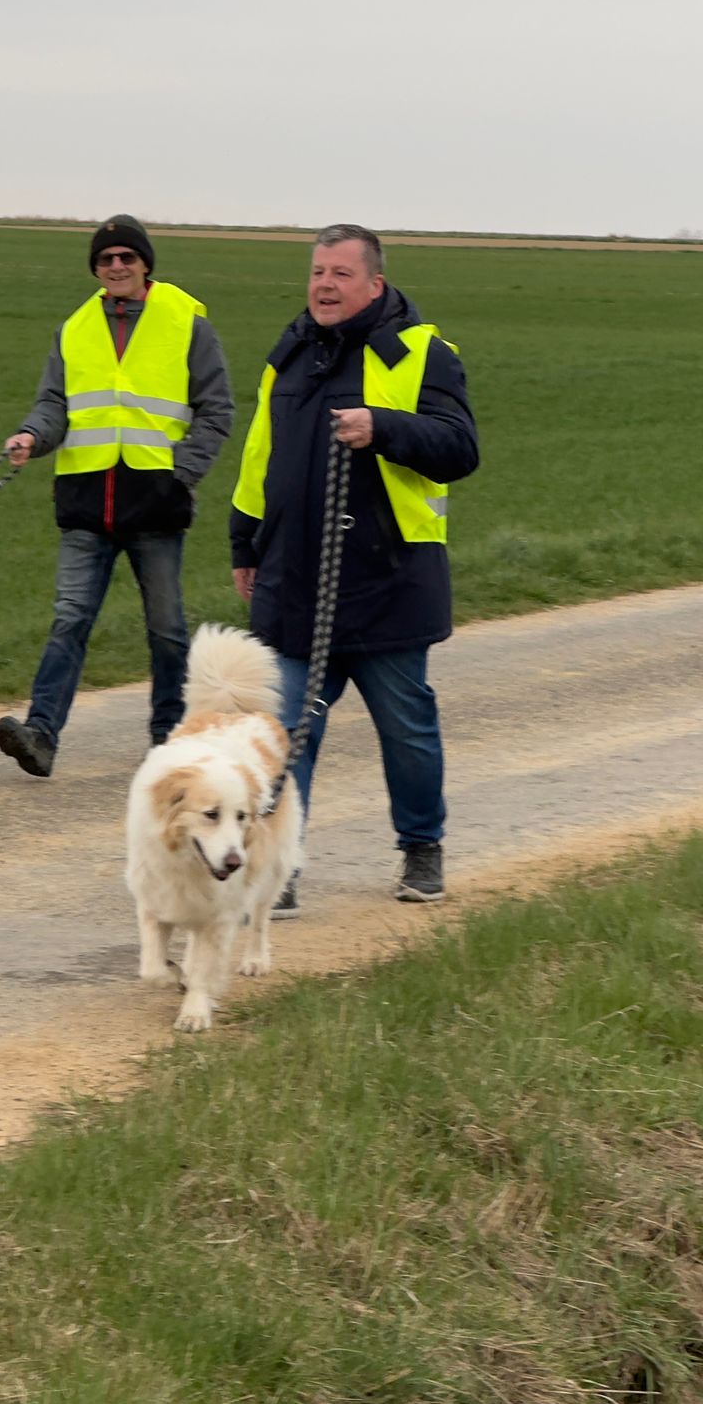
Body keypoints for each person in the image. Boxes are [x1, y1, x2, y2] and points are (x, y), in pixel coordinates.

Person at [230, 223, 478, 910]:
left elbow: (460, 447)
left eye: (340, 274)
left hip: (387, 579)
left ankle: (421, 845)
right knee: (285, 731)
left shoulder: (421, 353)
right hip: (296, 578)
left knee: (406, 728)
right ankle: (281, 865)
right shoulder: (289, 356)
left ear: (374, 284)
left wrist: (384, 428)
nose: (325, 285)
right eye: (317, 272)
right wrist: (244, 543)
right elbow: (259, 459)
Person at [0, 215, 233, 777]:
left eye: (128, 257)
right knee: (70, 620)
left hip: (156, 504)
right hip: (86, 501)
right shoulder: (75, 328)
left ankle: (169, 738)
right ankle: (41, 734)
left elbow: (217, 408)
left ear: (146, 263)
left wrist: (182, 473)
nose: (117, 266)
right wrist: (32, 436)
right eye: (107, 259)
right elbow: (55, 404)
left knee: (167, 631)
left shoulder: (187, 322)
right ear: (96, 269)